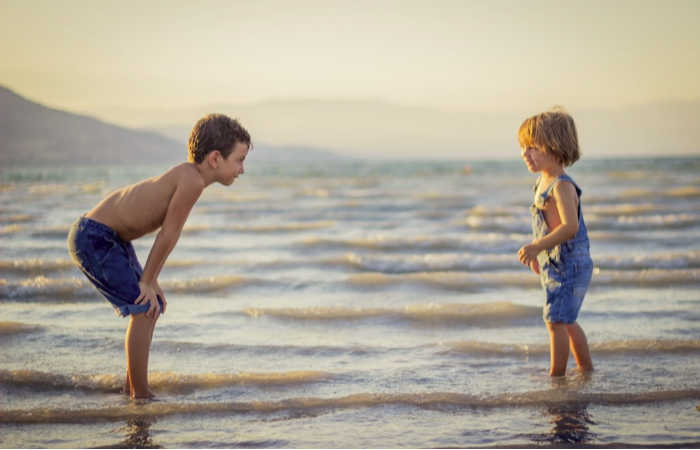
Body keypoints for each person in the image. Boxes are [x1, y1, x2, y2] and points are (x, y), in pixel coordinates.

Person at [67, 113, 251, 398]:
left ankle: (132, 386)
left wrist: (151, 282)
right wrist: (147, 281)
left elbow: (167, 234)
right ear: (215, 159)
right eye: (239, 160)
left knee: (154, 304)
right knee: (143, 307)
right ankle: (140, 395)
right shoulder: (191, 181)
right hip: (93, 237)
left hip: (110, 238)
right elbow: (169, 234)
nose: (242, 169)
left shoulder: (191, 177)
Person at [516, 107, 594, 377]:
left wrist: (537, 247)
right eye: (523, 148)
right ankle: (586, 370)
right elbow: (545, 227)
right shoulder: (541, 183)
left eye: (532, 147)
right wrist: (540, 255)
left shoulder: (561, 186)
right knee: (566, 321)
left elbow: (570, 227)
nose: (525, 153)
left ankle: (556, 376)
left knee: (556, 321)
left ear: (554, 147)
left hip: (570, 263)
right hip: (555, 262)